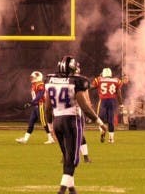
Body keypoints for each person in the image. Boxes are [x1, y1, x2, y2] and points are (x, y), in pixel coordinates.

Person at [44, 56, 106, 194]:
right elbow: (85, 107)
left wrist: (50, 127)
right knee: (72, 160)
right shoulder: (75, 82)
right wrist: (100, 123)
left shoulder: (50, 81)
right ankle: (61, 191)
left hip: (57, 121)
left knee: (67, 157)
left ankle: (72, 190)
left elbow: (47, 108)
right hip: (72, 121)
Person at [16, 70, 54, 145]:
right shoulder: (34, 84)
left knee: (43, 122)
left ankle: (50, 138)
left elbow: (40, 95)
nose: (32, 79)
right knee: (31, 122)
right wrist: (32, 103)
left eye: (33, 77)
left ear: (38, 77)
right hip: (36, 105)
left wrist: (31, 103)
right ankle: (25, 139)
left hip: (41, 104)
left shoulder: (40, 84)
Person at [91, 67, 123, 143]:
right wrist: (121, 103)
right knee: (111, 120)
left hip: (103, 101)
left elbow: (92, 87)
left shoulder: (99, 80)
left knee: (100, 119)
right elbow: (118, 93)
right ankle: (111, 139)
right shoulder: (116, 80)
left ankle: (102, 132)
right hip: (112, 101)